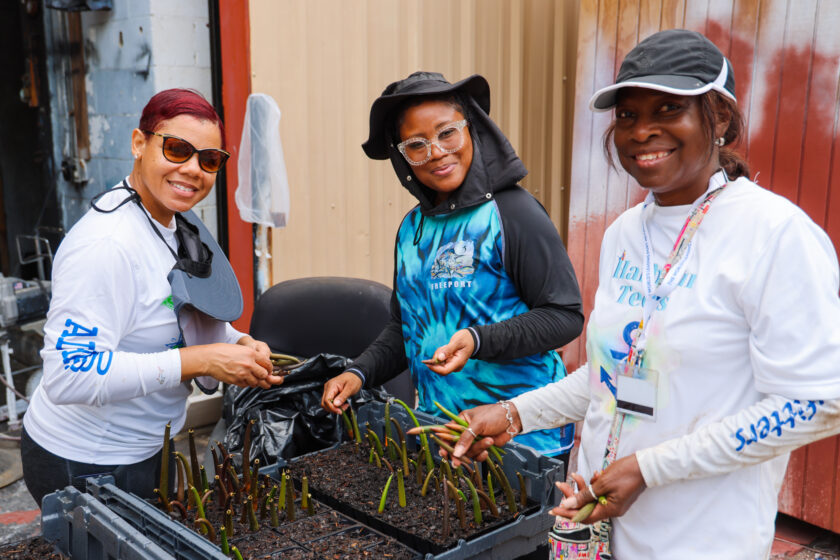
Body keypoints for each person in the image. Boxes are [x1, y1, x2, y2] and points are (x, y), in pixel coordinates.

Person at [449, 29, 840, 558]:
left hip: (699, 540)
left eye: (668, 108)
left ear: (720, 118)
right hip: (595, 526)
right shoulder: (625, 233)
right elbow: (614, 373)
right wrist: (515, 414)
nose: (642, 131)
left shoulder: (774, 234)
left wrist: (650, 468)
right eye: (628, 115)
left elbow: (816, 403)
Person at [20, 88, 284, 506]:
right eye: (178, 149)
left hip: (145, 446)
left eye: (209, 159)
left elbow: (178, 311)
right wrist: (202, 360)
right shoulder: (105, 246)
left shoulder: (177, 222)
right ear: (139, 144)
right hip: (84, 461)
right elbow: (71, 375)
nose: (193, 169)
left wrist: (236, 343)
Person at [321, 71, 584, 460]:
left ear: (472, 129)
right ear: (401, 156)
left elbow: (564, 316)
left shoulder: (512, 213)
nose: (437, 152)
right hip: (443, 432)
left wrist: (479, 340)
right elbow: (406, 326)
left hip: (521, 440)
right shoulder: (412, 228)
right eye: (416, 144)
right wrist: (358, 373)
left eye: (447, 133)